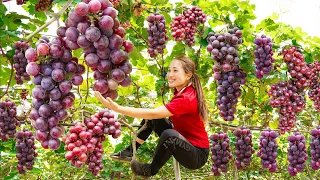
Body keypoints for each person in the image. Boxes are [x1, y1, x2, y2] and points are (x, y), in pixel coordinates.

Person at [94, 56, 210, 178]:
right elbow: (154, 116)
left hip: (196, 154)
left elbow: (153, 112)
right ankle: (130, 151)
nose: (170, 74)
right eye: (169, 70)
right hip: (184, 141)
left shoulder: (187, 98)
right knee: (154, 119)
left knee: (169, 135)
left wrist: (117, 109)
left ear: (188, 75)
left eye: (175, 70)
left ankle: (150, 170)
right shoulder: (182, 91)